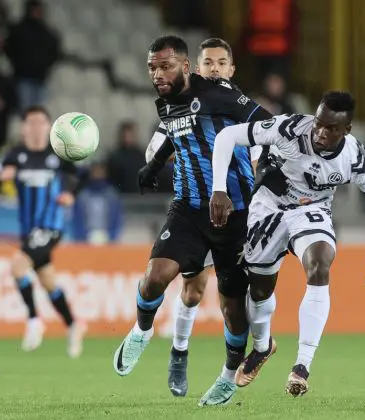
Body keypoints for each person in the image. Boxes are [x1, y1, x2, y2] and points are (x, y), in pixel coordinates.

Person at [111, 35, 272, 405]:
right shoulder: (167, 100)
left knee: (232, 309)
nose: (156, 74)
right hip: (188, 208)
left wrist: (269, 171)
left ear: (186, 66)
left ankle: (230, 375)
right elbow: (175, 128)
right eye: (152, 67)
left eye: (164, 66)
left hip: (236, 213)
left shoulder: (220, 94)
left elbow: (269, 125)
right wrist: (153, 165)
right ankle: (141, 332)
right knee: (154, 278)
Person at [209, 91, 365, 397]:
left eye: (331, 128)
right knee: (258, 291)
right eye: (319, 123)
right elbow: (228, 136)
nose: (320, 132)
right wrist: (219, 190)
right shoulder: (289, 128)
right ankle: (262, 346)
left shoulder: (355, 157)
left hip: (311, 211)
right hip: (268, 207)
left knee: (320, 263)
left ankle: (302, 366)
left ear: (346, 130)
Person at [0, 106, 87, 357]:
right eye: (30, 122)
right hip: (28, 230)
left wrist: (70, 194)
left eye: (41, 122)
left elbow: (79, 177)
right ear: (23, 128)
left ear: (48, 126)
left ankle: (34, 321)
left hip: (51, 226)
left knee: (18, 266)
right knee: (47, 281)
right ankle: (73, 325)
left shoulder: (58, 153)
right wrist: (2, 178)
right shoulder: (13, 155)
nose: (35, 127)